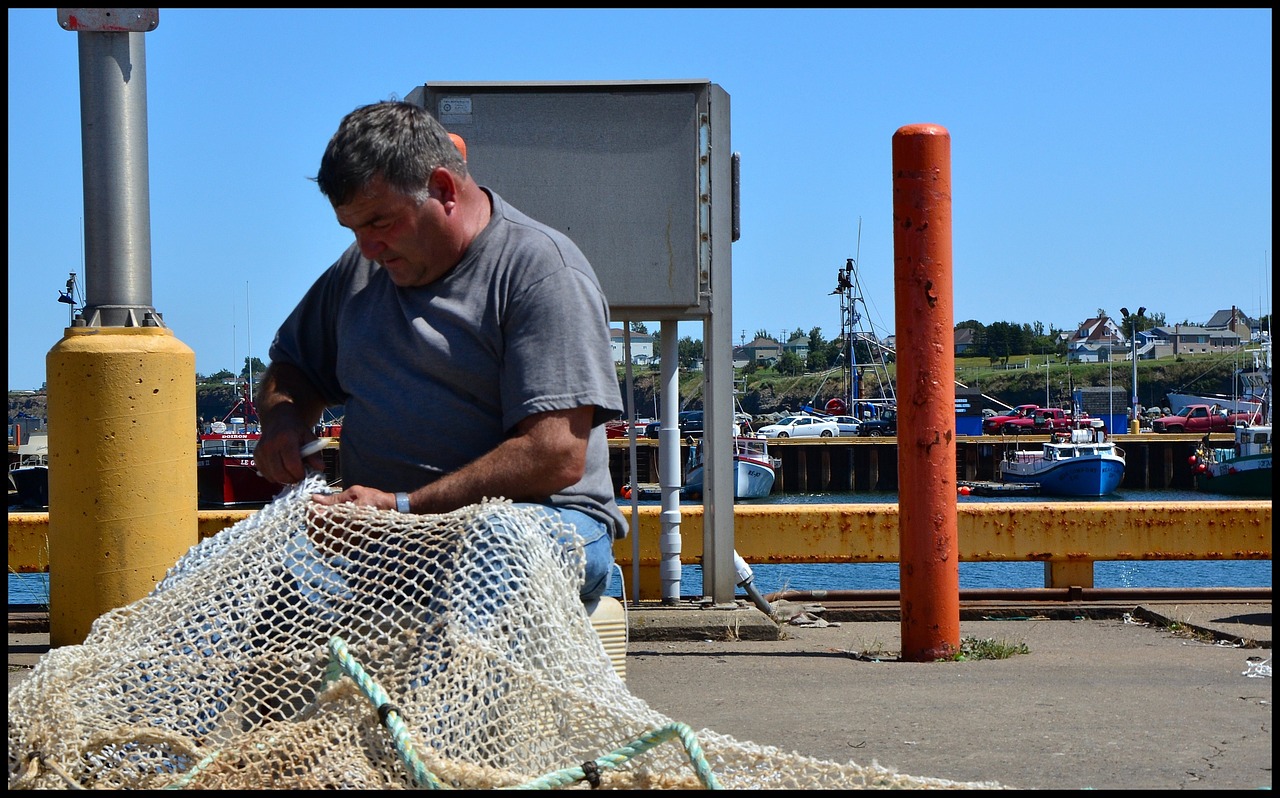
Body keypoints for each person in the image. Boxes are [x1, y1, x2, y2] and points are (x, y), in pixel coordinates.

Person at [254, 100, 626, 602]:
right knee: (256, 584)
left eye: (381, 223)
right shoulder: (361, 272)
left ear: (444, 190)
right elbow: (293, 369)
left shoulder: (541, 271)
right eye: (354, 230)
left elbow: (554, 455)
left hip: (545, 523)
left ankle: (451, 682)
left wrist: (403, 508)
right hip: (389, 532)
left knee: (495, 545)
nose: (367, 248)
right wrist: (283, 420)